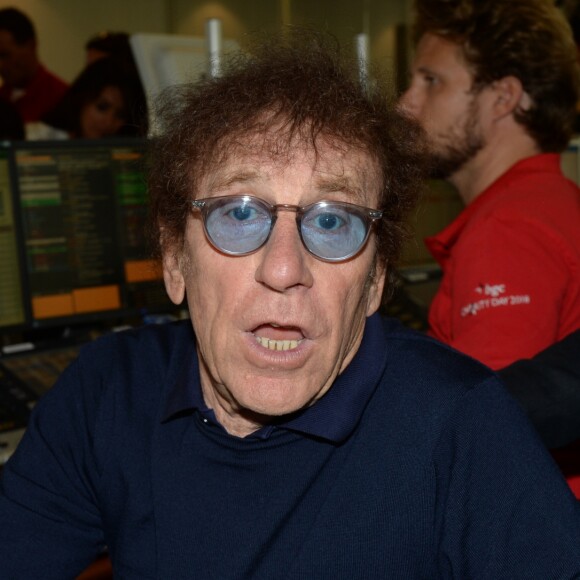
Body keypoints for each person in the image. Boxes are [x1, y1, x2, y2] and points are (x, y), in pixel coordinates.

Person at [1, 30, 579, 578]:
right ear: (174, 259)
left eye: (333, 221)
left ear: (376, 278)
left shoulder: (463, 428)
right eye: (240, 213)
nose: (284, 270)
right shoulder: (109, 394)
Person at [399, 0, 580, 371]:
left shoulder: (507, 232)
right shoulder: (553, 202)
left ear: (503, 98)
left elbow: (487, 421)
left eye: (431, 81)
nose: (405, 106)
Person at [27, 56, 147, 140]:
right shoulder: (35, 138)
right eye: (102, 107)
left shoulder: (124, 154)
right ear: (81, 99)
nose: (109, 122)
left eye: (120, 115)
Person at [0, 7, 68, 123]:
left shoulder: (61, 98)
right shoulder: (2, 97)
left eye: (5, 55)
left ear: (30, 46)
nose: (1, 65)